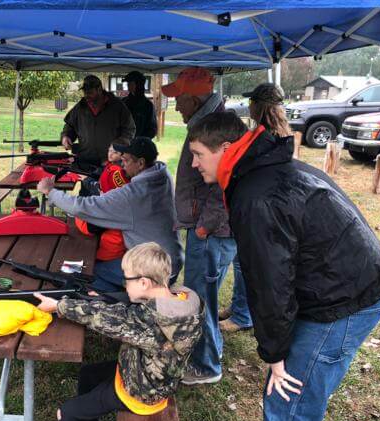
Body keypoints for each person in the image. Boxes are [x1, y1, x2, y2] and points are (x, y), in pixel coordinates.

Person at [187, 111, 380, 421]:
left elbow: (270, 284)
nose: (193, 163)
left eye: (197, 154)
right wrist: (278, 351)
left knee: (292, 396)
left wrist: (275, 354)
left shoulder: (256, 196)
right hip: (339, 280)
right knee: (286, 384)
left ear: (225, 148)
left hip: (343, 299)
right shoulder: (261, 170)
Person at [34, 242, 203, 421]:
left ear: (144, 282)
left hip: (139, 392)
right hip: (154, 377)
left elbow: (106, 319)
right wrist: (100, 301)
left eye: (126, 280)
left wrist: (58, 306)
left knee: (66, 414)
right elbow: (129, 313)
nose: (124, 285)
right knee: (89, 374)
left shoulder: (148, 321)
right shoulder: (183, 301)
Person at [161, 66, 242, 385]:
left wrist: (203, 228)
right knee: (204, 294)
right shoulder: (207, 123)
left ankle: (206, 366)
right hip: (208, 230)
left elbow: (223, 188)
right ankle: (212, 350)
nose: (175, 106)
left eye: (179, 99)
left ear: (194, 99)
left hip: (210, 232)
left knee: (198, 298)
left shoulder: (215, 129)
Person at [37, 137, 183, 292]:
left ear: (141, 163)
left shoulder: (133, 195)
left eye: (125, 161)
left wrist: (50, 191)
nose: (122, 165)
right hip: (170, 259)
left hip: (155, 271)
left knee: (87, 273)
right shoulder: (162, 173)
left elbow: (82, 207)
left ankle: (124, 300)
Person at [219, 83, 293, 333]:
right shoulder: (277, 134)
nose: (249, 106)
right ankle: (239, 307)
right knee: (242, 261)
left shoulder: (265, 138)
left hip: (259, 207)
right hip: (259, 204)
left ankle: (243, 315)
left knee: (245, 263)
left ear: (259, 106)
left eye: (252, 102)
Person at [61, 75, 136, 168]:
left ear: (99, 90)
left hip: (110, 161)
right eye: (85, 92)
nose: (86, 96)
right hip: (85, 159)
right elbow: (70, 125)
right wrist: (66, 136)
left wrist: (120, 143)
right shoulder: (81, 107)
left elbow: (130, 129)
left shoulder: (117, 106)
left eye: (90, 92)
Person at [75, 138, 130, 263]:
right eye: (109, 150)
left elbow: (102, 191)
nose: (110, 154)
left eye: (115, 152)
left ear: (123, 156)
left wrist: (88, 181)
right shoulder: (112, 166)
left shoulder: (119, 173)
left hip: (110, 248)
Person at [122, 71, 157, 139]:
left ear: (138, 85)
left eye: (130, 83)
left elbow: (152, 129)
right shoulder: (124, 102)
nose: (128, 85)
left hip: (140, 143)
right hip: (124, 142)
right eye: (128, 83)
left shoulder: (147, 105)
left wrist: (140, 140)